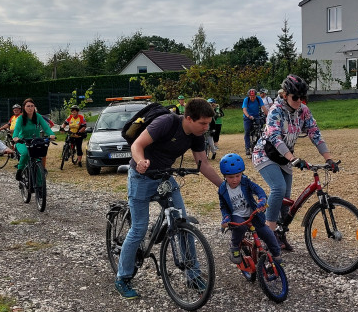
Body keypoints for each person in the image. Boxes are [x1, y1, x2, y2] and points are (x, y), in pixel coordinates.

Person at [116, 97, 223, 299]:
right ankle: (123, 277)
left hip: (165, 177)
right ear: (189, 118)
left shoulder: (196, 134)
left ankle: (193, 275)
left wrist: (224, 187)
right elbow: (137, 146)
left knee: (182, 223)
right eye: (203, 123)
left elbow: (204, 164)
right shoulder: (166, 122)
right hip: (141, 176)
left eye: (208, 123)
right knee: (138, 228)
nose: (206, 127)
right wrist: (140, 162)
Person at [253, 75, 338, 249]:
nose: (299, 101)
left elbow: (315, 133)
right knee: (279, 188)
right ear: (285, 95)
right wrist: (292, 159)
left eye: (302, 98)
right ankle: (268, 236)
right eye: (295, 97)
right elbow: (275, 138)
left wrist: (328, 158)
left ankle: (280, 233)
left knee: (285, 200)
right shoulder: (275, 110)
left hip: (286, 157)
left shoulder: (303, 111)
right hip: (265, 154)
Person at [217, 153, 282, 269]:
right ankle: (234, 246)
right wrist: (226, 218)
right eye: (230, 177)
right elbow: (224, 207)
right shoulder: (222, 189)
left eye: (238, 176)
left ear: (242, 173)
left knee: (268, 233)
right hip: (237, 215)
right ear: (224, 176)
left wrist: (262, 201)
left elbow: (259, 191)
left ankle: (276, 255)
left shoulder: (246, 182)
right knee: (240, 227)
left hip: (252, 213)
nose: (235, 180)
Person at [12, 99, 55, 181]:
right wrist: (15, 137)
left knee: (39, 158)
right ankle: (20, 171)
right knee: (25, 153)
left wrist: (51, 134)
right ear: (24, 108)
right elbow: (16, 129)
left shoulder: (38, 116)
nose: (30, 108)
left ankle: (40, 186)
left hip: (35, 141)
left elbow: (45, 127)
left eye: (32, 106)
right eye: (28, 106)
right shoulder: (21, 118)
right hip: (22, 141)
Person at [242, 88, 263, 153]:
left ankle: (259, 146)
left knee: (259, 131)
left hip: (256, 116)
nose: (252, 98)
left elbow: (263, 107)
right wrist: (248, 116)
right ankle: (247, 148)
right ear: (249, 96)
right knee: (247, 132)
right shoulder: (246, 100)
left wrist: (268, 115)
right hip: (248, 117)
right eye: (251, 97)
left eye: (253, 97)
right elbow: (244, 109)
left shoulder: (258, 99)